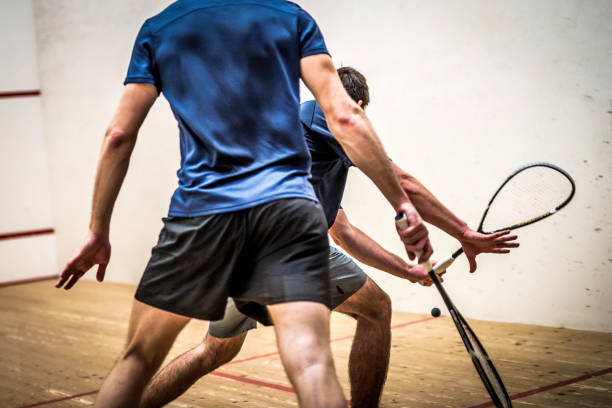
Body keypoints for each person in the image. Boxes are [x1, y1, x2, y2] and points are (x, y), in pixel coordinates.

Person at [55, 2, 435, 408]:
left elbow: (118, 135)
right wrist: (401, 205)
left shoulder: (159, 29)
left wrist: (98, 229)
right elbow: (344, 116)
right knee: (311, 362)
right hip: (285, 215)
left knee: (138, 358)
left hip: (200, 214)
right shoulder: (289, 17)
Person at [138, 67, 519, 408]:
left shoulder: (300, 145)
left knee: (212, 353)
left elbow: (344, 233)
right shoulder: (326, 114)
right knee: (375, 311)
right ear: (356, 103)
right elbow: (401, 182)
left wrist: (407, 270)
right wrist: (465, 233)